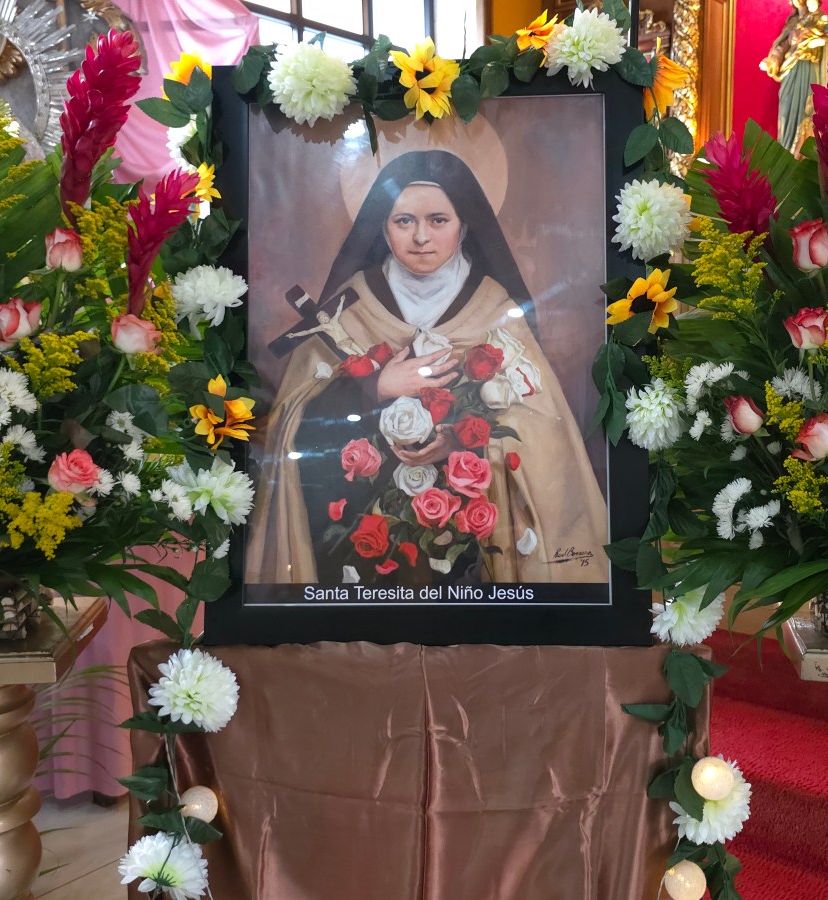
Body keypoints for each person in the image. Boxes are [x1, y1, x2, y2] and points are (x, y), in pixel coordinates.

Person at [246, 150, 609, 590]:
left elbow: (543, 438)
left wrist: (461, 442)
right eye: (403, 221)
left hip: (475, 544)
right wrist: (374, 389)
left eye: (438, 220)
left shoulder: (494, 308)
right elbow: (293, 425)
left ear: (464, 225)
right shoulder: (349, 306)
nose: (421, 237)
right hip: (358, 545)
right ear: (382, 226)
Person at [760, 0, 828, 156]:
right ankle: (786, 154)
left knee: (808, 112)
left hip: (811, 72)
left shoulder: (820, 20)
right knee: (786, 112)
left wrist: (820, 42)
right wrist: (772, 61)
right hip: (791, 71)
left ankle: (803, 157)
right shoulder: (792, 24)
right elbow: (782, 47)